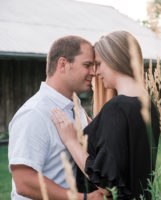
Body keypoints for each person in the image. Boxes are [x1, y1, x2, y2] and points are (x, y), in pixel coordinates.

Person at [51, 31, 160, 200]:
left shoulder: (116, 108)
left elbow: (106, 184)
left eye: (99, 64)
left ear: (114, 60)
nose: (96, 72)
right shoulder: (148, 105)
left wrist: (71, 141)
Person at [8, 35, 103, 199]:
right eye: (87, 65)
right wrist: (83, 198)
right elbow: (23, 181)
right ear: (63, 64)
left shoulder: (75, 107)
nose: (93, 73)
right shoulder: (34, 113)